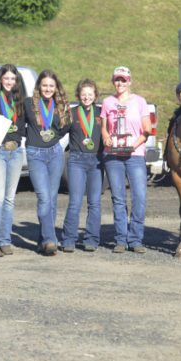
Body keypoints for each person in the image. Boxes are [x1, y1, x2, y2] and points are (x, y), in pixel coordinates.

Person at [101, 66, 152, 253]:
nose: (120, 83)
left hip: (135, 154)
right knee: (118, 198)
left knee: (139, 197)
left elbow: (147, 129)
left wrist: (134, 144)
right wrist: (106, 138)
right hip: (113, 154)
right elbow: (104, 128)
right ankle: (121, 239)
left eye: (123, 80)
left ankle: (136, 239)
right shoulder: (107, 102)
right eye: (117, 80)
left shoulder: (140, 101)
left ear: (130, 81)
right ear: (113, 82)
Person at [24, 70, 72, 256]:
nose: (48, 89)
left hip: (55, 153)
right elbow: (20, 124)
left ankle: (43, 240)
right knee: (43, 197)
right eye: (44, 85)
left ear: (56, 87)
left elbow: (67, 125)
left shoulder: (60, 105)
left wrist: (55, 137)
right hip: (35, 153)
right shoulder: (29, 104)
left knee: (51, 199)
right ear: (39, 86)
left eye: (51, 86)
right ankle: (51, 240)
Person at [0, 64, 26, 257]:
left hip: (15, 152)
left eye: (13, 79)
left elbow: (23, 126)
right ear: (0, 79)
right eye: (6, 78)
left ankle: (5, 240)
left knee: (10, 199)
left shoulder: (19, 101)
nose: (9, 82)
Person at [60, 79, 104, 252]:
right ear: (78, 95)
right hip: (76, 160)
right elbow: (60, 130)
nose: (86, 97)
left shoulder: (101, 113)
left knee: (94, 202)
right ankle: (69, 240)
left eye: (90, 94)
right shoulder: (71, 112)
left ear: (95, 96)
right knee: (75, 201)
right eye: (83, 94)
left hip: (97, 161)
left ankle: (91, 239)